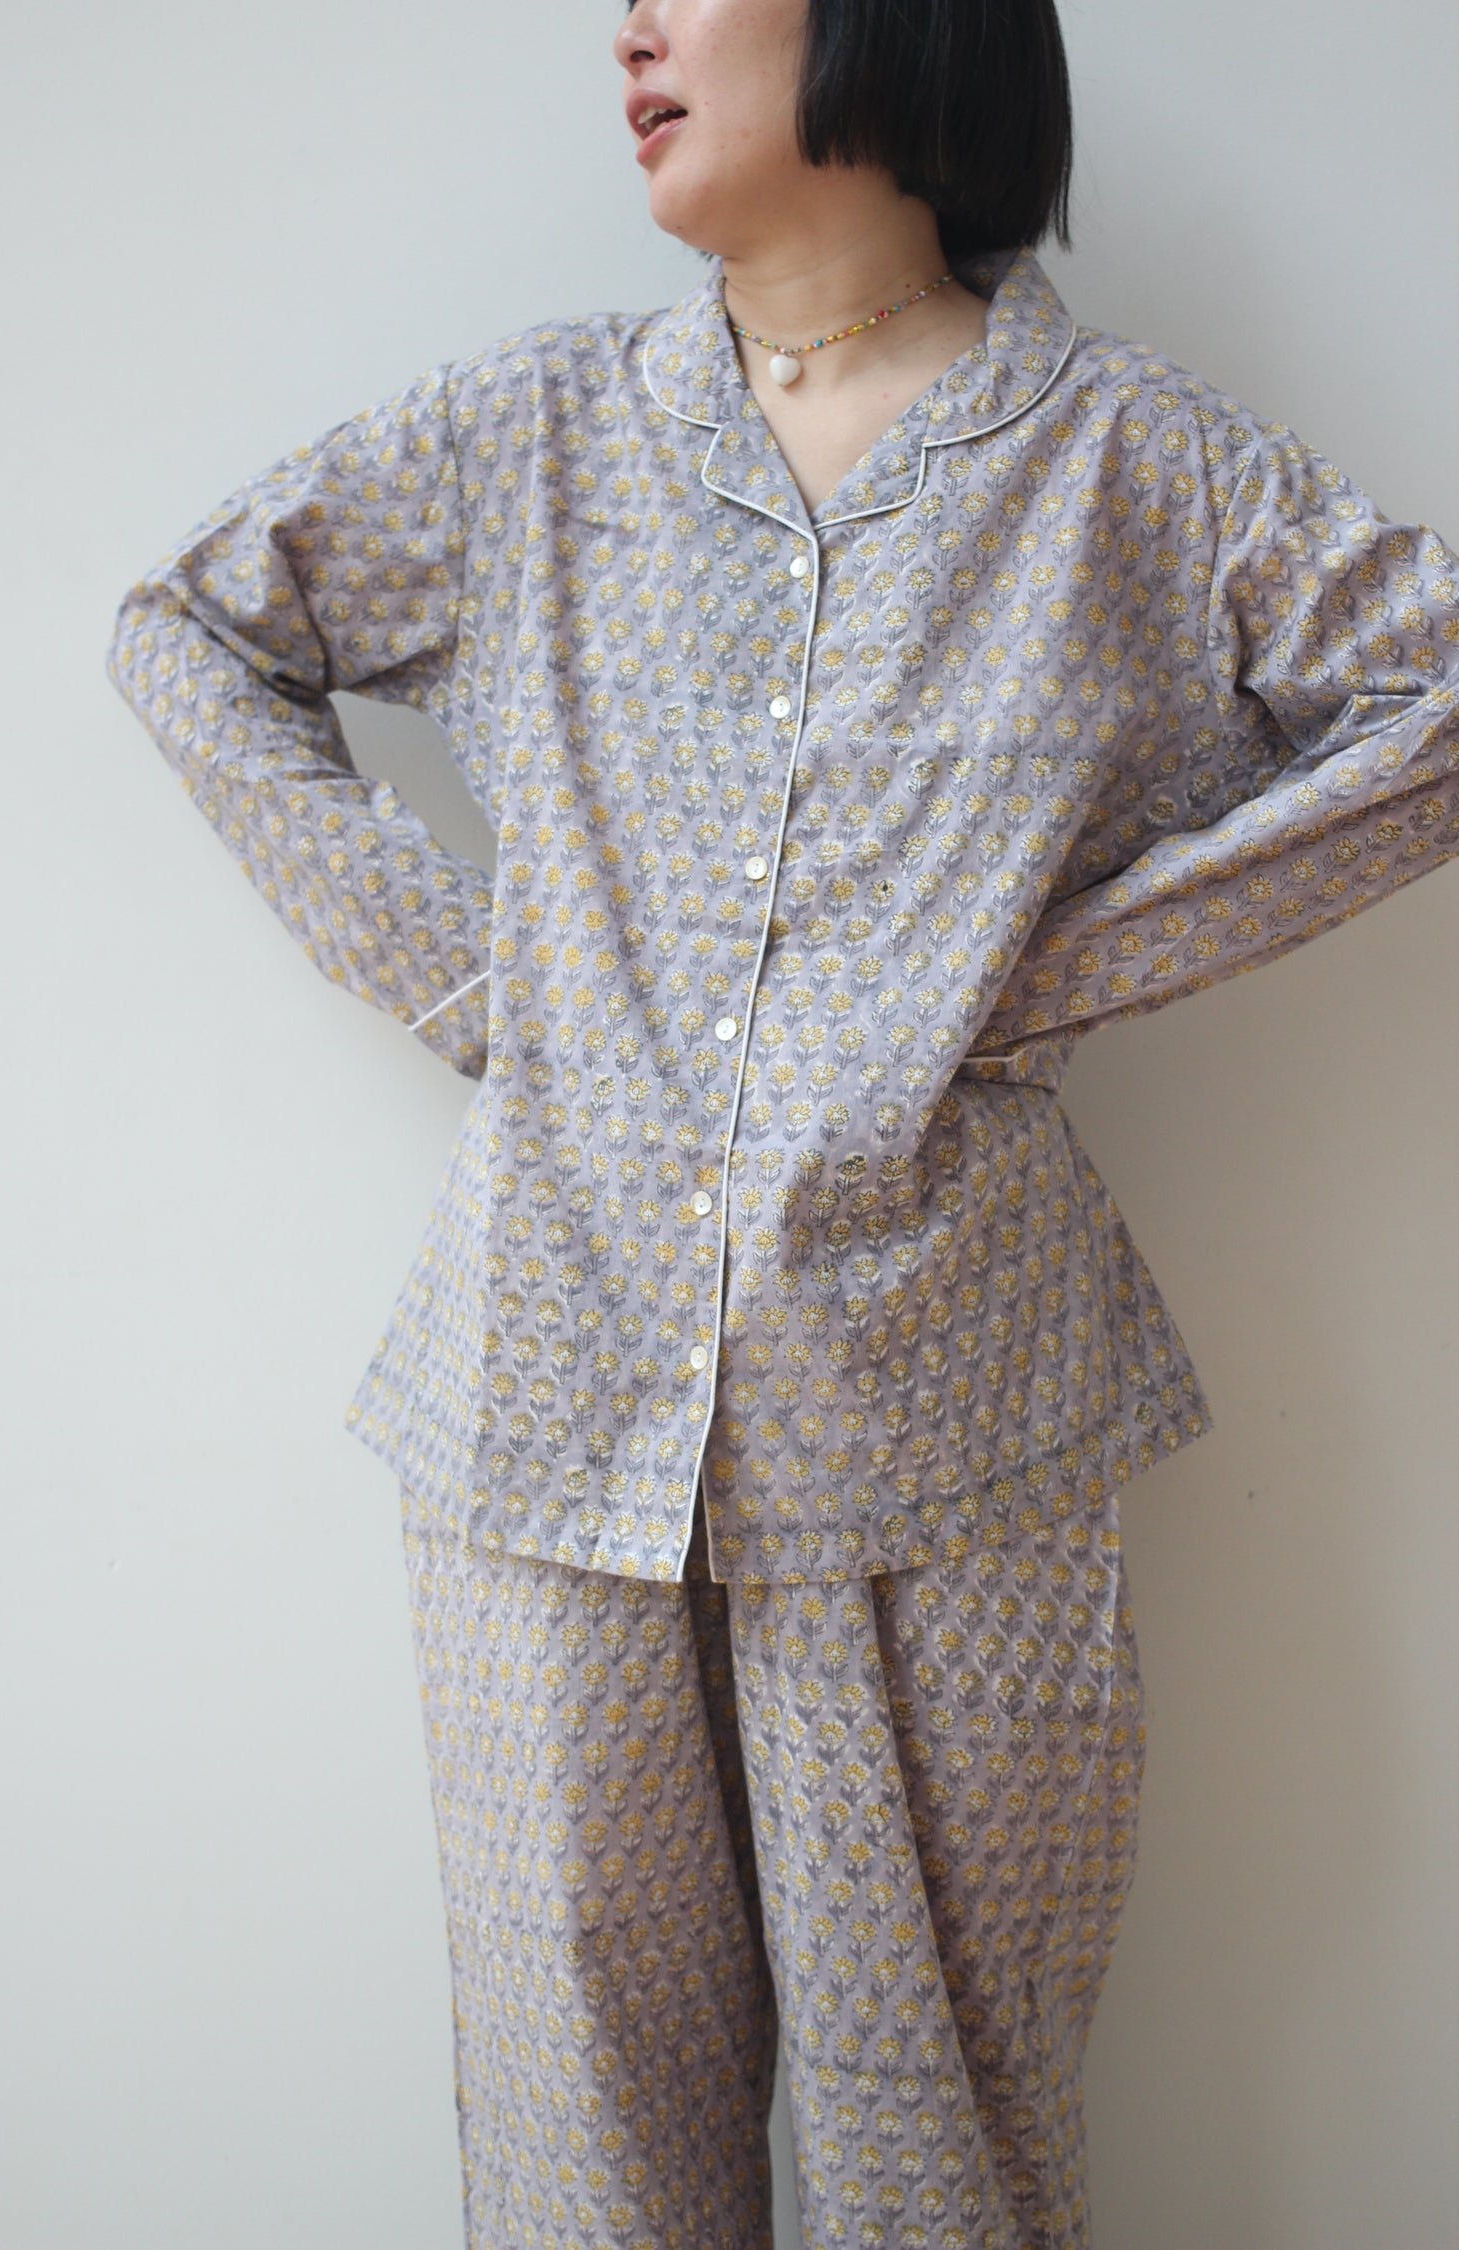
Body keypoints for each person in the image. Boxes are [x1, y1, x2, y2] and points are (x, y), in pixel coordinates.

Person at [105, 0, 1459, 2239]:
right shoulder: (533, 435)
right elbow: (189, 628)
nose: (629, 23)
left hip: (948, 1412)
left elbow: (1434, 704)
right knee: (586, 2156)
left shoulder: (1131, 467)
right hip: (547, 1400)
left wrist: (1039, 972)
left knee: (943, 2145)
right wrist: (472, 980)